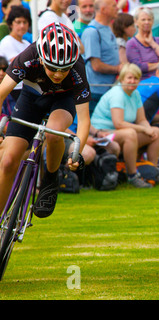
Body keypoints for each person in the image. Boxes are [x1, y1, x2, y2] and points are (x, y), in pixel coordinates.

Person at [0, 22, 90, 218]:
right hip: (32, 97)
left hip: (62, 100)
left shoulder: (78, 68)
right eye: (52, 68)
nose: (58, 74)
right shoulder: (27, 56)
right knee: (7, 161)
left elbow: (84, 121)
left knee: (53, 131)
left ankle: (50, 177)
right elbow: (1, 94)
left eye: (64, 69)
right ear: (41, 58)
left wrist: (77, 153)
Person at [90, 63, 159, 188]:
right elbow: (119, 123)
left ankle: (151, 172)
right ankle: (132, 176)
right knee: (130, 134)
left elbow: (141, 119)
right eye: (129, 78)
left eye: (136, 78)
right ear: (122, 79)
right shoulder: (117, 94)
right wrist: (143, 129)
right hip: (101, 132)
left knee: (157, 132)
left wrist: (148, 129)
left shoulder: (135, 94)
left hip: (118, 131)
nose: (132, 81)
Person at [81, 0, 121, 115]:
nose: (117, 8)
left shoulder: (107, 28)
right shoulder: (92, 32)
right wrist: (118, 69)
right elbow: (96, 65)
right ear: (103, 10)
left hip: (108, 90)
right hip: (96, 92)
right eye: (114, 6)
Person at [126, 7, 159, 80]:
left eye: (149, 19)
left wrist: (152, 43)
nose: (147, 22)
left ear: (153, 21)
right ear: (136, 22)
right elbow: (138, 66)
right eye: (143, 20)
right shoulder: (132, 43)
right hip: (143, 83)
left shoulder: (158, 41)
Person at [0, 5, 31, 106]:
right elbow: (20, 65)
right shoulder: (7, 42)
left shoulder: (27, 44)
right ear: (11, 24)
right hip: (13, 90)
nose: (22, 26)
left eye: (25, 22)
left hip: (26, 88)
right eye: (18, 22)